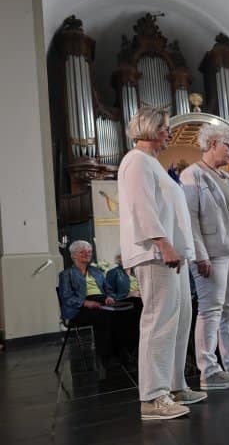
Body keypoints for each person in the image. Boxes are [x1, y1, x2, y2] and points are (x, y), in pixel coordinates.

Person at [117, 106, 205, 420]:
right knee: (159, 321)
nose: (170, 133)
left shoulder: (152, 163)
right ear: (151, 129)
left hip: (171, 253)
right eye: (166, 128)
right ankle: (153, 397)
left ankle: (175, 386)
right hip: (155, 253)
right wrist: (163, 242)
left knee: (179, 320)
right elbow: (141, 206)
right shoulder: (136, 160)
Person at [181, 123, 229, 391]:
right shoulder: (193, 174)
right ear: (213, 143)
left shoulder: (226, 176)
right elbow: (190, 218)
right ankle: (209, 371)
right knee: (211, 310)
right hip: (212, 254)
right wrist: (199, 254)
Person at [57, 240, 115, 377]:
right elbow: (66, 297)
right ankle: (104, 357)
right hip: (79, 309)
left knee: (125, 311)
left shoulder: (96, 271)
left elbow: (108, 289)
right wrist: (85, 302)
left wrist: (109, 296)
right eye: (82, 252)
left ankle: (122, 352)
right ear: (73, 255)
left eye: (89, 251)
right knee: (103, 315)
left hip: (101, 302)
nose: (87, 254)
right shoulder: (66, 274)